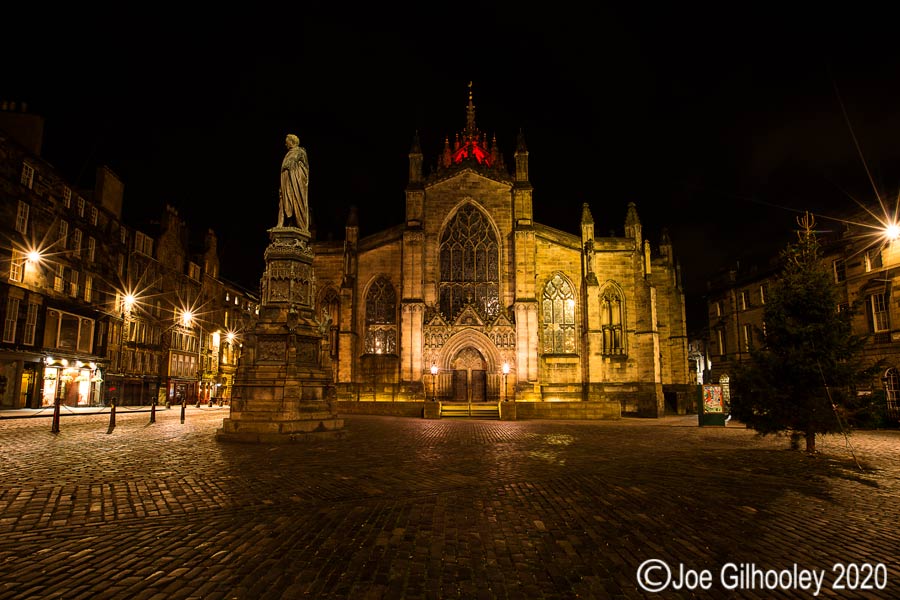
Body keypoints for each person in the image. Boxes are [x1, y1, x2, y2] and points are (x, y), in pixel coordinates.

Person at [277, 133, 309, 231]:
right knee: (283, 201)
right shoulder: (288, 153)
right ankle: (281, 223)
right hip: (286, 181)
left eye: (287, 142)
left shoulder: (300, 151)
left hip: (296, 182)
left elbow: (306, 168)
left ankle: (299, 224)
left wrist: (295, 171)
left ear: (292, 142)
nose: (286, 144)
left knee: (296, 200)